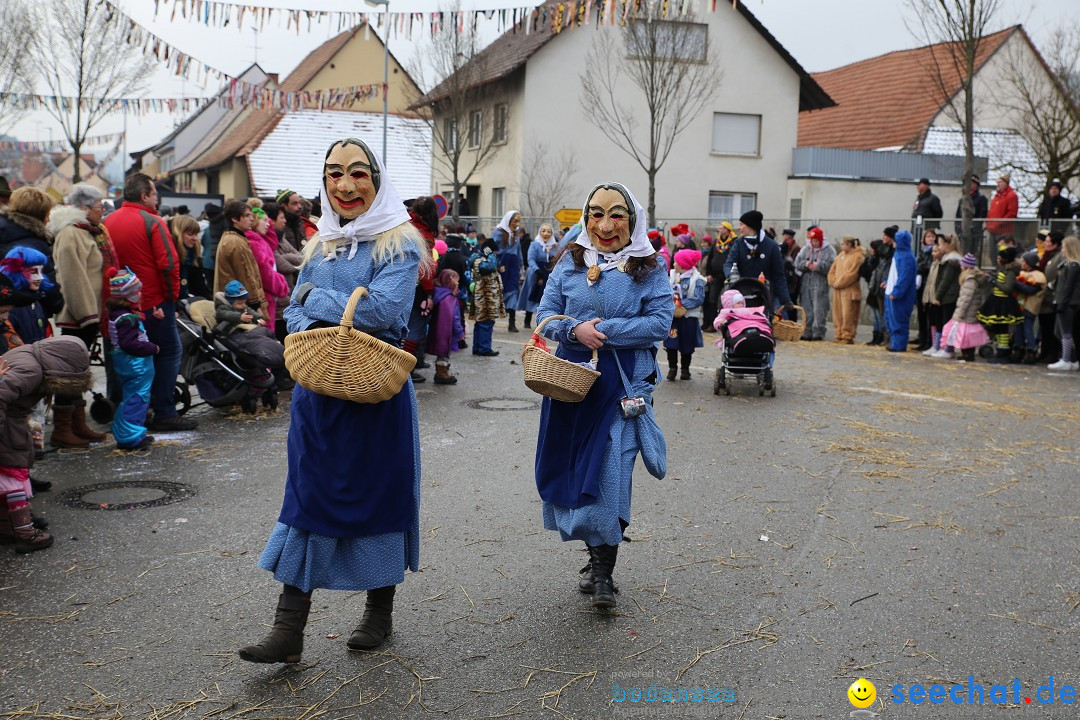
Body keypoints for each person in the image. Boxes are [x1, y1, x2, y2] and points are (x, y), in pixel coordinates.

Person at [240, 137, 431, 664]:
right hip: (317, 396)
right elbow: (292, 319)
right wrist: (313, 308)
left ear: (377, 179)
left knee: (380, 497)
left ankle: (379, 612)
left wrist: (312, 299)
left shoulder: (400, 244)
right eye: (333, 174)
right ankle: (288, 628)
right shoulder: (320, 243)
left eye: (358, 173)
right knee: (306, 499)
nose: (344, 185)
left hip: (375, 395)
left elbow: (385, 313)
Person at [533, 181, 671, 610]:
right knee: (579, 473)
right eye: (596, 213)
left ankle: (605, 573)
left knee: (611, 476)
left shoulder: (650, 265)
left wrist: (602, 332)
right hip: (572, 385)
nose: (605, 224)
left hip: (624, 389)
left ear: (633, 220)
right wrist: (574, 329)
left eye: (616, 214)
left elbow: (660, 323)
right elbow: (543, 317)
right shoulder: (570, 261)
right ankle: (594, 559)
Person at [104, 173, 195, 432]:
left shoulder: (107, 221)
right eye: (154, 194)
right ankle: (164, 411)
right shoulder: (152, 221)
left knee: (120, 353)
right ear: (144, 195)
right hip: (152, 301)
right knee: (167, 352)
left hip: (115, 304)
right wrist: (171, 297)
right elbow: (168, 264)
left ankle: (121, 408)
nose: (157, 199)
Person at [2, 338, 91, 548]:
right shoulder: (31, 370)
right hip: (6, 425)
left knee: (8, 476)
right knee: (12, 478)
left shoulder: (30, 357)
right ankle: (25, 534)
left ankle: (7, 527)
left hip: (10, 421)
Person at [48, 183, 116, 447]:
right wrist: (87, 315)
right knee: (69, 373)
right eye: (99, 206)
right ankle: (63, 431)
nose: (102, 211)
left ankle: (78, 424)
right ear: (84, 208)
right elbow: (73, 279)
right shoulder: (70, 234)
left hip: (90, 314)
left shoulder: (88, 232)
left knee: (79, 372)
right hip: (77, 317)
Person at [105, 267, 158, 451]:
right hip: (135, 365)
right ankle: (130, 437)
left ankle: (136, 432)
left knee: (137, 397)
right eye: (137, 292)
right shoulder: (126, 318)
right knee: (136, 399)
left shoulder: (121, 316)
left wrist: (153, 320)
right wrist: (153, 348)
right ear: (129, 296)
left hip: (132, 364)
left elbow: (136, 332)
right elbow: (130, 343)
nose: (141, 295)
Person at [723, 210, 791, 312]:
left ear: (751, 226)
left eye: (742, 225)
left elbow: (779, 275)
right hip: (741, 297)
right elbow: (728, 264)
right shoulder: (739, 243)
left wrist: (785, 300)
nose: (739, 228)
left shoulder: (771, 246)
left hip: (764, 297)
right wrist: (731, 275)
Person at [214, 201, 269, 322]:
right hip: (239, 304)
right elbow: (246, 276)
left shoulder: (232, 238)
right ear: (234, 219)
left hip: (234, 302)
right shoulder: (236, 242)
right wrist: (255, 305)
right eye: (247, 215)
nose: (251, 218)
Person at [244, 207, 289, 334]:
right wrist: (282, 286)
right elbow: (265, 273)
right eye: (264, 220)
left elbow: (272, 243)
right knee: (266, 333)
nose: (268, 223)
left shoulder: (260, 241)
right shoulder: (255, 243)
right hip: (264, 297)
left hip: (266, 296)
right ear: (255, 222)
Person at [976, 247, 1023, 363]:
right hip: (996, 300)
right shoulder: (1003, 269)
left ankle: (1003, 351)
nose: (998, 259)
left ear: (1005, 259)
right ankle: (1000, 350)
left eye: (1000, 257)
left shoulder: (1011, 272)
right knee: (998, 328)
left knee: (1003, 328)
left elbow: (1007, 288)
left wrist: (994, 281)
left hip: (1004, 303)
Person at [664, 248, 705, 380]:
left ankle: (685, 369)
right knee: (671, 342)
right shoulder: (671, 276)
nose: (673, 264)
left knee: (687, 343)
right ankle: (672, 367)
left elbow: (699, 298)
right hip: (673, 319)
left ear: (683, 265)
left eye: (676, 262)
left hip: (688, 319)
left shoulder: (696, 279)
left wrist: (682, 305)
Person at [941, 253, 991, 362]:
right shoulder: (972, 278)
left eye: (962, 264)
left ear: (966, 266)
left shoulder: (970, 280)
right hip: (970, 311)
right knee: (968, 336)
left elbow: (966, 298)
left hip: (967, 312)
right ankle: (967, 355)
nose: (960, 266)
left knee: (965, 336)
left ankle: (968, 356)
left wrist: (960, 313)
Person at [794, 227, 834, 340]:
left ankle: (818, 332)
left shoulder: (829, 250)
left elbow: (832, 266)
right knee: (806, 307)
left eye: (816, 241)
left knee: (819, 308)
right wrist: (805, 264)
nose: (814, 243)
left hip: (820, 282)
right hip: (806, 282)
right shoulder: (806, 249)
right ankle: (806, 331)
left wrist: (819, 266)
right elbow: (797, 263)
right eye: (812, 241)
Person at [426, 269, 464, 385]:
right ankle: (442, 374)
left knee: (441, 353)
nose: (458, 284)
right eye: (457, 281)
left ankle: (441, 373)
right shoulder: (449, 299)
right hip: (445, 332)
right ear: (451, 280)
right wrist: (460, 333)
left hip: (438, 330)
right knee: (443, 354)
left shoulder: (440, 294)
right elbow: (454, 318)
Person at [1048, 235, 1080, 371]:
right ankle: (1073, 358)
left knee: (1066, 332)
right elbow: (1059, 278)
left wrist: (1063, 302)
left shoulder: (1074, 265)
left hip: (1068, 302)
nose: (1062, 250)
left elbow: (1069, 286)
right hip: (1062, 300)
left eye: (1064, 247)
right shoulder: (1066, 264)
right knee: (1059, 331)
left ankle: (1066, 359)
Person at [927, 235, 962, 358]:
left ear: (947, 245)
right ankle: (941, 346)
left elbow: (946, 280)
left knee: (947, 323)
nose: (939, 247)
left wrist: (938, 295)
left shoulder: (951, 260)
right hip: (948, 295)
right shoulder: (948, 258)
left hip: (950, 296)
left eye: (941, 244)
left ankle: (947, 349)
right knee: (943, 321)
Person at [469, 238, 505, 356]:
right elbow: (488, 268)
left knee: (481, 323)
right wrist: (490, 255)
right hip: (486, 298)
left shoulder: (480, 258)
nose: (495, 255)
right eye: (494, 252)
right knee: (486, 322)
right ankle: (484, 348)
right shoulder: (482, 260)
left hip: (485, 297)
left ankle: (478, 348)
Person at [517, 223, 557, 329]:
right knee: (532, 293)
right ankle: (527, 319)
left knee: (546, 296)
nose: (546, 233)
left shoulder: (555, 246)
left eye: (548, 231)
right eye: (543, 231)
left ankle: (543, 322)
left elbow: (557, 258)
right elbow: (530, 259)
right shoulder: (534, 244)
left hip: (549, 273)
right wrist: (536, 270)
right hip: (535, 273)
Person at [827, 236, 865, 344]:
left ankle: (848, 335)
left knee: (848, 314)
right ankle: (839, 334)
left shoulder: (858, 256)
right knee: (837, 313)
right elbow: (832, 270)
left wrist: (839, 283)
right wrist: (832, 281)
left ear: (849, 244)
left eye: (843, 244)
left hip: (850, 291)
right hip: (838, 291)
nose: (841, 246)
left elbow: (852, 274)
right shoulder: (840, 256)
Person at [884, 230, 917, 352]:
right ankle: (894, 343)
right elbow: (895, 274)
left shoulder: (906, 257)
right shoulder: (898, 255)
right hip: (891, 293)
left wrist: (897, 292)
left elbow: (905, 277)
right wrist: (888, 283)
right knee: (891, 319)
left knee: (899, 320)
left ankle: (899, 345)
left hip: (899, 296)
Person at [1015, 251, 1047, 364]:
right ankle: (1018, 348)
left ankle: (1030, 350)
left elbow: (1029, 290)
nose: (1021, 263)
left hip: (1030, 307)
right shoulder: (1023, 273)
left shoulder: (1038, 276)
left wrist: (1015, 282)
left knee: (1028, 329)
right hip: (1020, 306)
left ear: (1029, 263)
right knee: (1019, 328)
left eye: (1024, 261)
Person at [701, 222, 734, 331]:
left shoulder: (734, 242)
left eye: (722, 227)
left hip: (729, 276)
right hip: (715, 276)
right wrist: (709, 273)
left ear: (727, 230)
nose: (719, 229)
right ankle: (712, 324)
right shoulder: (716, 242)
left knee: (729, 301)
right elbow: (710, 258)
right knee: (712, 300)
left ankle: (729, 324)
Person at [170, 214, 212, 301]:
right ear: (178, 234)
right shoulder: (170, 257)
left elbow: (200, 286)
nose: (195, 238)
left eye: (196, 234)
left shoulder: (193, 255)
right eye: (190, 234)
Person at [493, 212, 523, 332]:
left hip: (513, 265)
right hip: (501, 264)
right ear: (508, 220)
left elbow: (518, 251)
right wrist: (493, 263)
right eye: (515, 221)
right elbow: (491, 249)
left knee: (513, 290)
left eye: (518, 221)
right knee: (499, 290)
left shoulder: (516, 235)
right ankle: (492, 318)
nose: (517, 224)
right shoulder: (498, 233)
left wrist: (521, 266)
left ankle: (512, 322)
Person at [1038, 231, 1064, 363]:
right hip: (1043, 297)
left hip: (1051, 297)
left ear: (1056, 244)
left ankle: (1052, 353)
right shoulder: (1046, 256)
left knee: (1051, 328)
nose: (1045, 243)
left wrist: (1050, 287)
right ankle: (1044, 352)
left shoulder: (1059, 257)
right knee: (1044, 327)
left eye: (1048, 241)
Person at [914, 228, 938, 351]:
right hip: (921, 285)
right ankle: (922, 338)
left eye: (933, 236)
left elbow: (925, 267)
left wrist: (919, 268)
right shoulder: (923, 251)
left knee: (929, 315)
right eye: (928, 237)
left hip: (928, 285)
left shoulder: (934, 252)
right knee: (921, 315)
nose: (931, 239)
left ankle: (929, 340)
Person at [953, 174, 988, 250]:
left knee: (972, 253)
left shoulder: (981, 198)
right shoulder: (962, 199)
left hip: (974, 232)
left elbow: (982, 215)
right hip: (962, 231)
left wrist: (973, 227)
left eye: (971, 183)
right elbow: (958, 215)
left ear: (976, 185)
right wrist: (958, 228)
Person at [986, 174, 1019, 247]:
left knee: (1002, 250)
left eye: (1000, 182)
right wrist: (989, 224)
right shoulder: (996, 196)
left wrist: (999, 222)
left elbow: (1012, 213)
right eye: (997, 182)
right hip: (993, 229)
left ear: (1006, 183)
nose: (998, 184)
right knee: (992, 252)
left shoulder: (1011, 195)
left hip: (1003, 231)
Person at [200, 203, 227, 289]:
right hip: (218, 262)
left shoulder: (209, 228)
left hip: (207, 262)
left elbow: (203, 241)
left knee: (211, 287)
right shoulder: (225, 227)